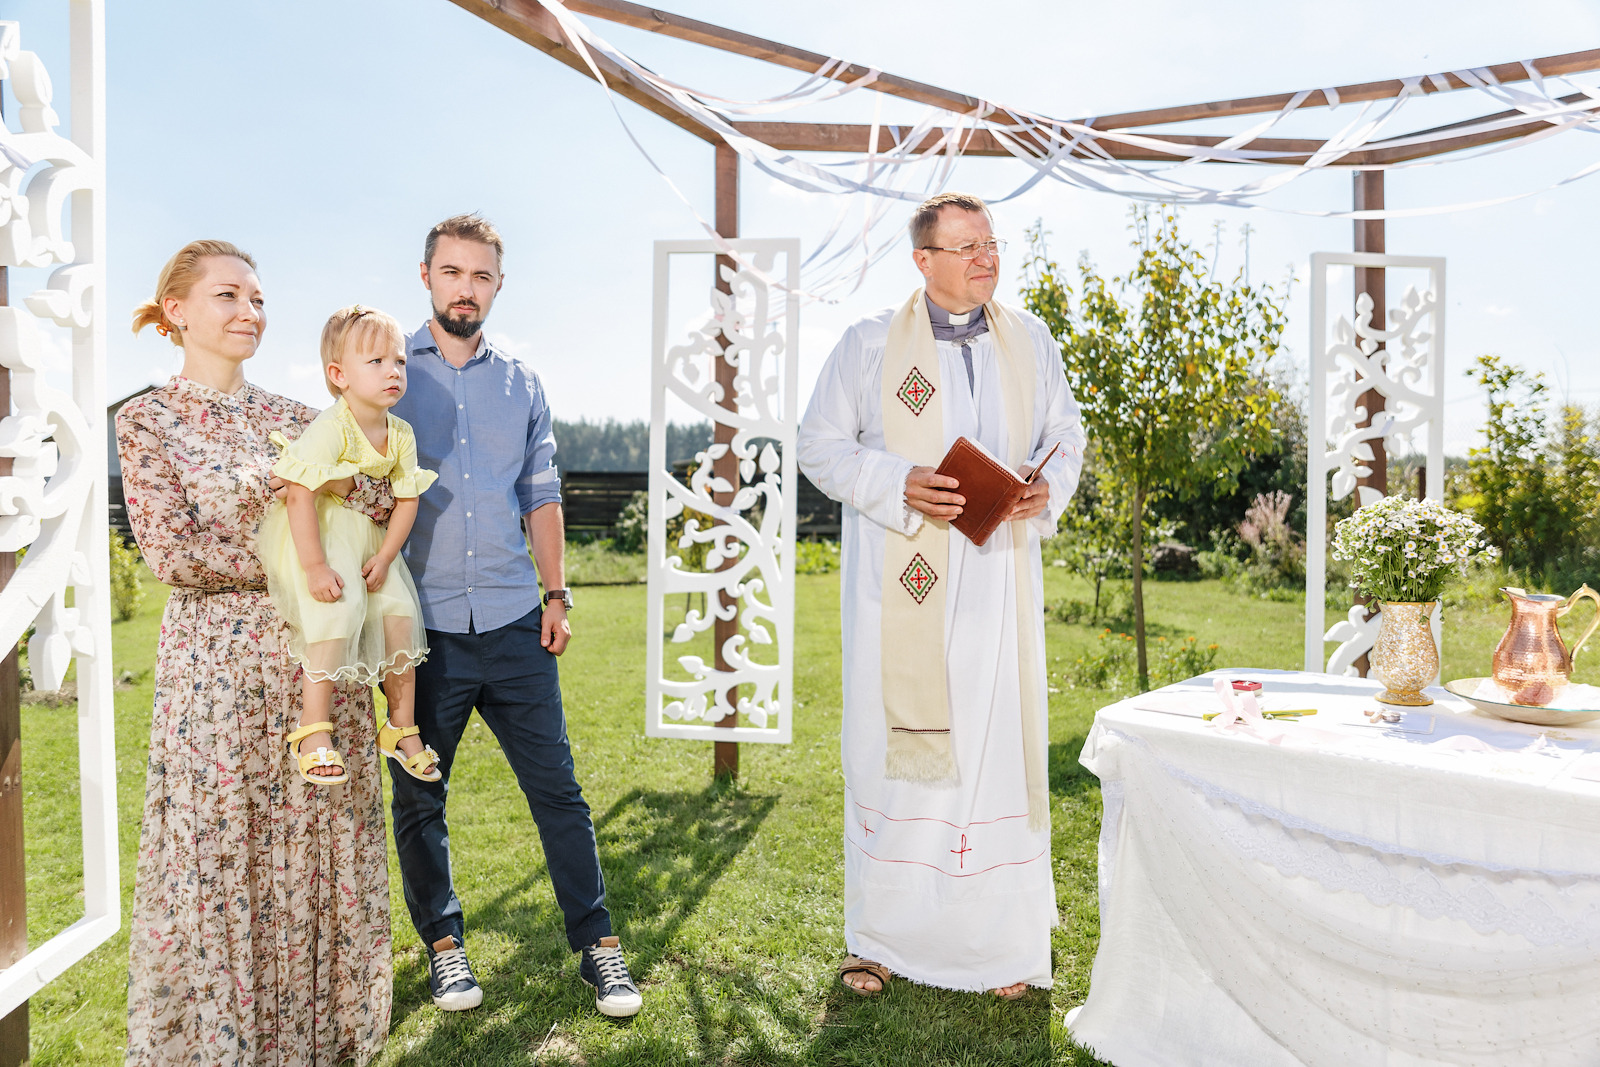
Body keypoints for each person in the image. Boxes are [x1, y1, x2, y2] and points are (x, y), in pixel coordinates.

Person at [797, 192, 1086, 999]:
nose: (985, 258)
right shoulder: (865, 347)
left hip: (998, 589)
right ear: (923, 261)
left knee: (991, 752)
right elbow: (817, 444)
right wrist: (900, 481)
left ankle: (1002, 946)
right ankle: (881, 939)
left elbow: (1066, 433)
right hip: (904, 591)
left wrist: (1044, 484)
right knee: (902, 763)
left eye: (991, 244)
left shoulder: (1030, 341)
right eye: (965, 247)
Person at [118, 241, 393, 1065]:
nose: (250, 312)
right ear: (178, 311)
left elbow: (375, 505)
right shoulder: (147, 420)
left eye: (260, 299)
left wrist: (362, 477)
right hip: (216, 675)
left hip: (316, 671)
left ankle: (326, 1036)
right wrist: (306, 557)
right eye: (229, 295)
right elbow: (173, 552)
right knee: (223, 847)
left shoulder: (297, 417)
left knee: (318, 843)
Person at [387, 214, 642, 1018]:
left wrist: (557, 591)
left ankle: (598, 945)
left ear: (498, 284)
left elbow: (541, 495)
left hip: (514, 620)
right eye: (453, 272)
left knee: (559, 791)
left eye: (482, 276)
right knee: (421, 791)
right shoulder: (387, 369)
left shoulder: (522, 384)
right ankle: (445, 944)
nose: (467, 288)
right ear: (425, 274)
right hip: (421, 630)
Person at [259, 304, 439, 785]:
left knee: (401, 615)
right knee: (338, 608)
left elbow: (407, 501)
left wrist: (385, 557)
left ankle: (400, 729)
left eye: (399, 361)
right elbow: (299, 492)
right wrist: (315, 566)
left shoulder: (401, 434)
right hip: (325, 532)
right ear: (339, 375)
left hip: (374, 542)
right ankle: (312, 729)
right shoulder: (332, 426)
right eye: (376, 362)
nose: (393, 372)